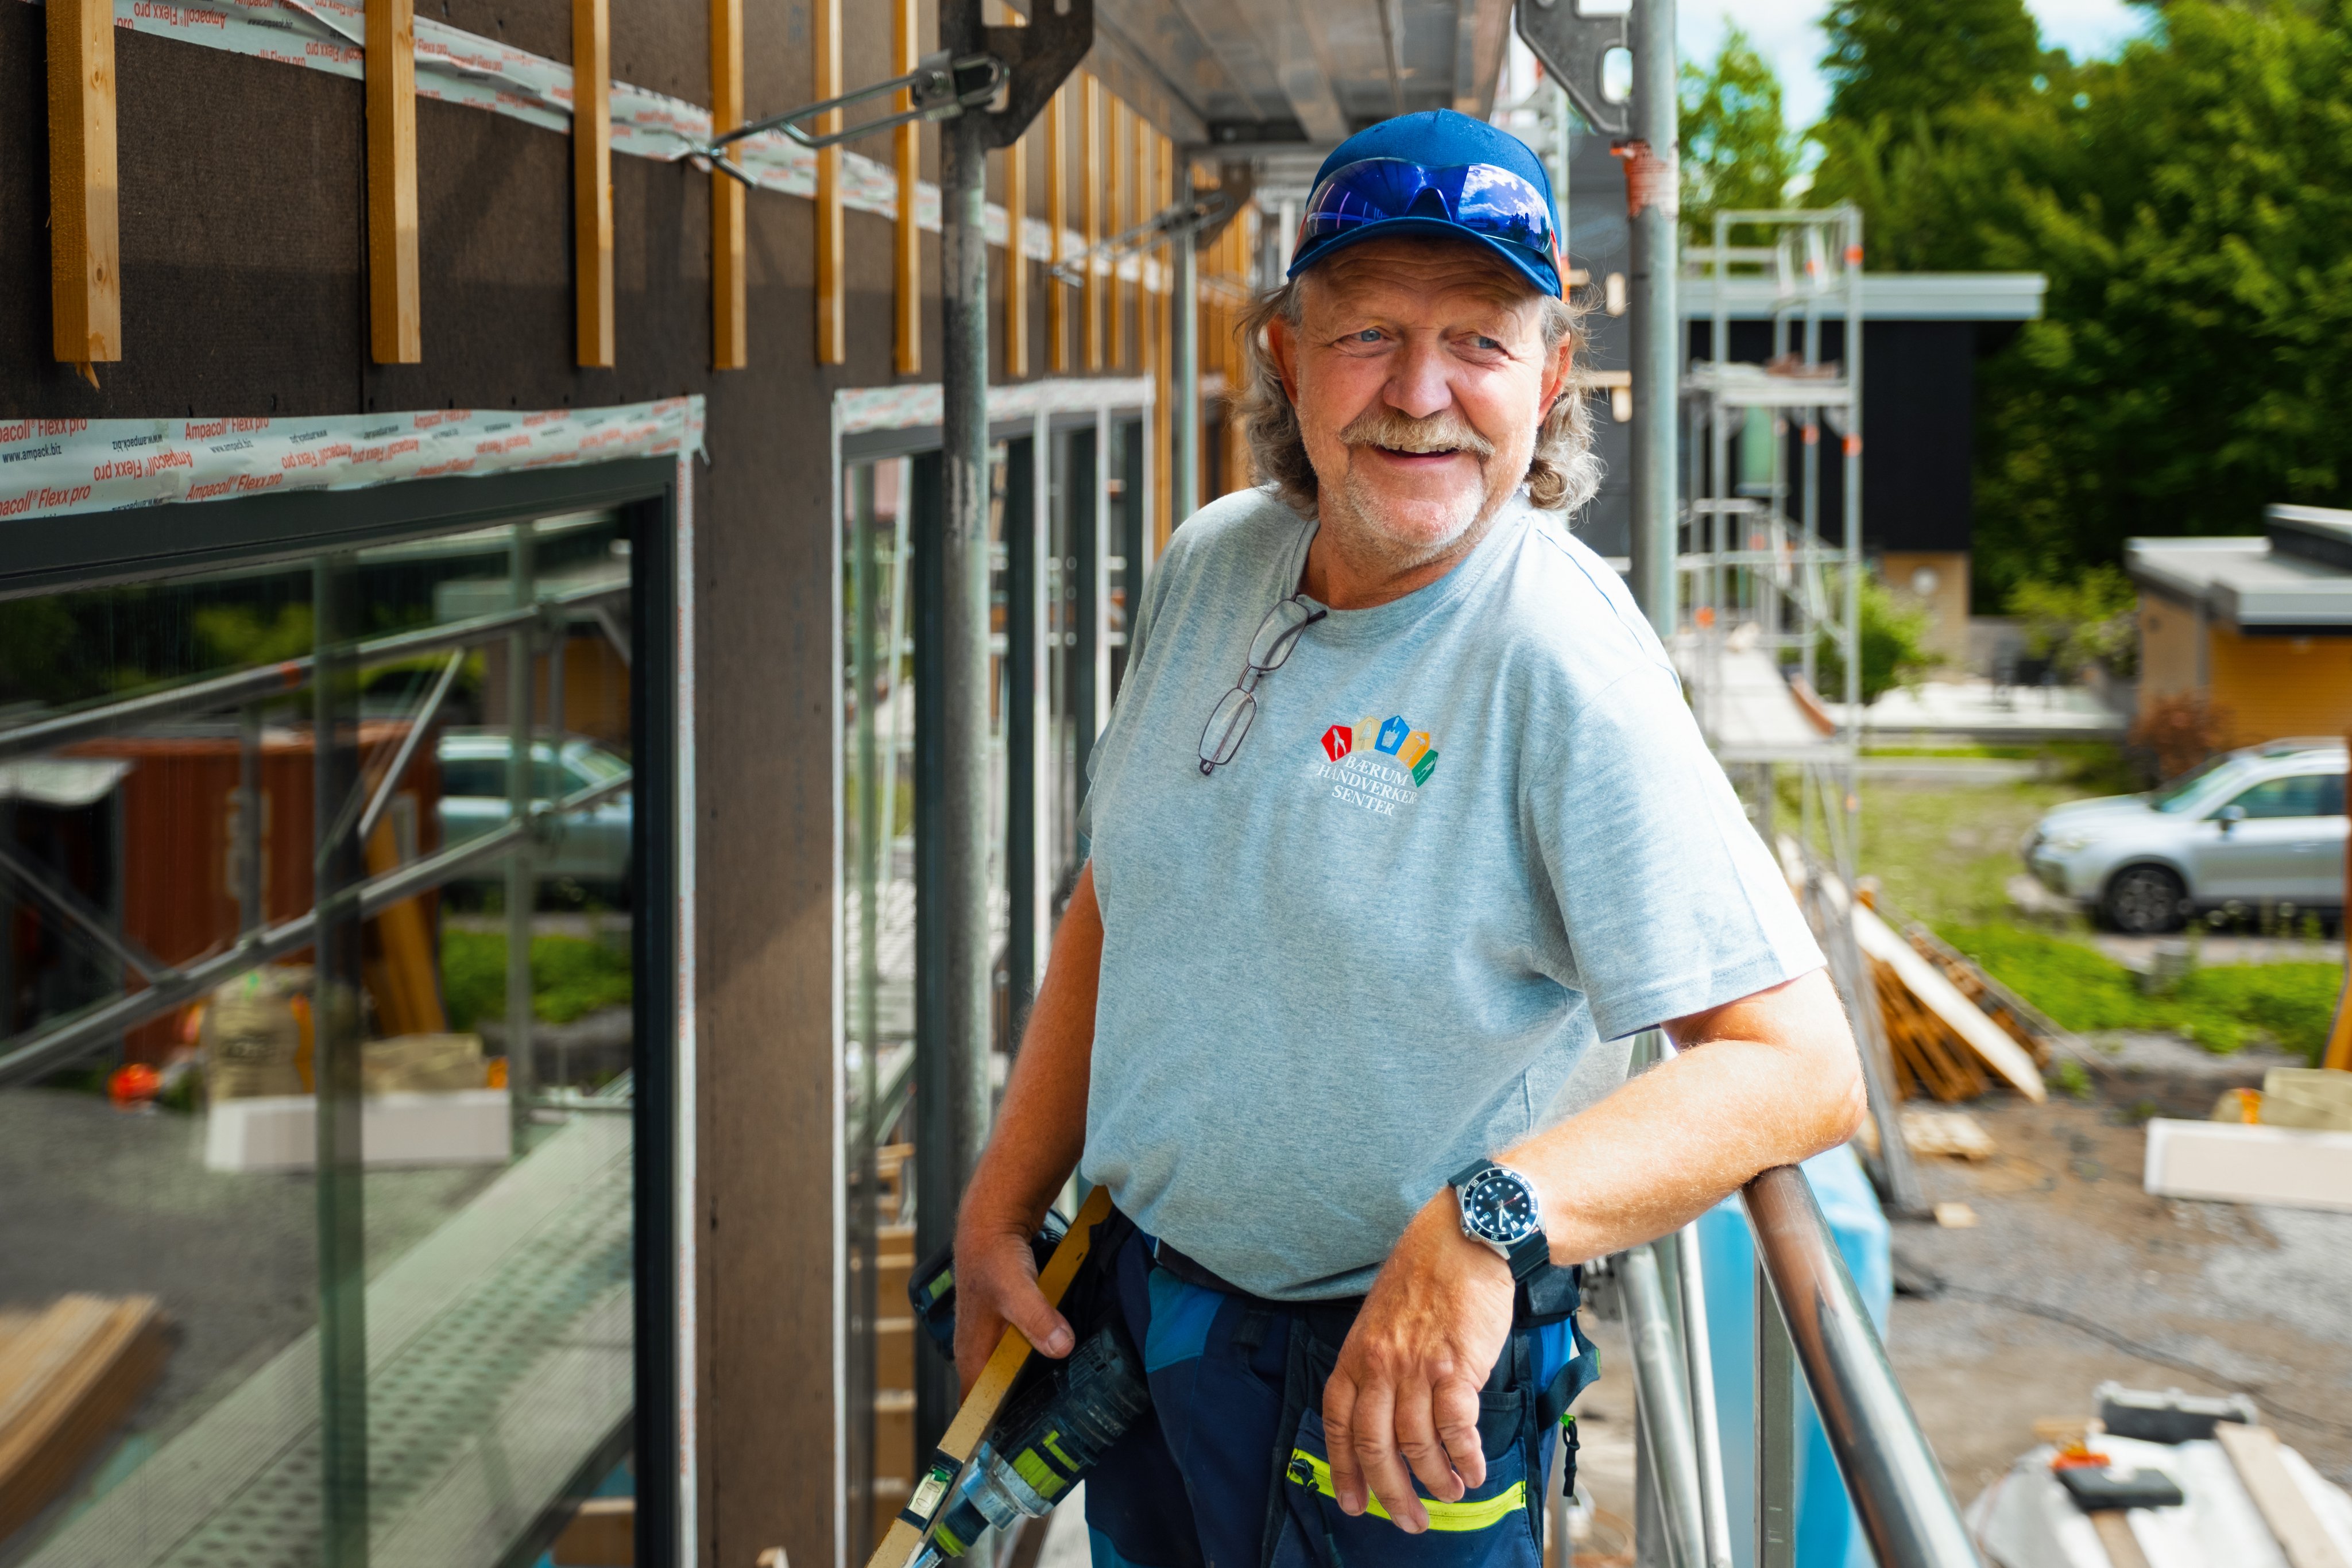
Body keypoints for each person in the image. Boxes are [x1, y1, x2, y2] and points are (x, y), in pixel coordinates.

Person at [950, 109, 1864, 1566]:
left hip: (1390, 1398)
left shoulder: (1559, 663)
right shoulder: (1214, 562)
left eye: (1479, 342)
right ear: (1285, 351)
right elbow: (1119, 902)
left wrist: (1491, 1217)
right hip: (1145, 1321)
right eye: (1369, 331)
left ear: (1549, 374)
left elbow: (1798, 1069)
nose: (1419, 392)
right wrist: (1002, 1201)